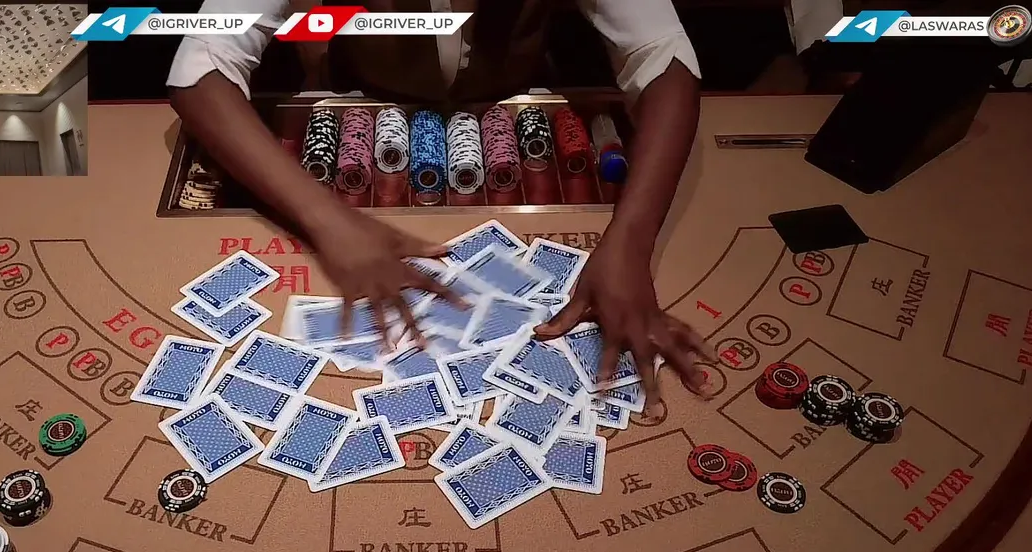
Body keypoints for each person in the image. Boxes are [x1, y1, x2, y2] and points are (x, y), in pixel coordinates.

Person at [168, 0, 715, 411]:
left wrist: (631, 241)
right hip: (365, 108)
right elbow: (201, 65)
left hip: (510, 106)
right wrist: (327, 219)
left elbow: (664, 55)